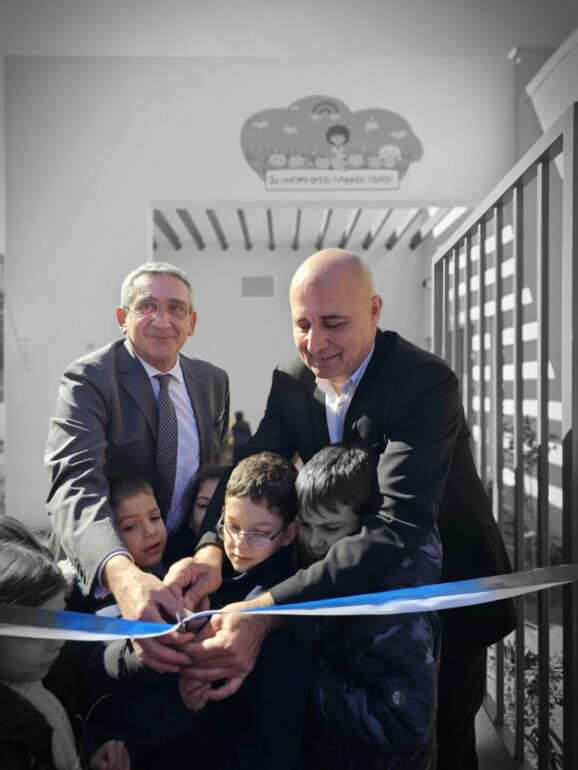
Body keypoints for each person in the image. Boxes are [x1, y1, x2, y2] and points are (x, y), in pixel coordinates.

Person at [169, 248, 516, 770]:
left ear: (374, 311)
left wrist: (268, 612)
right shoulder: (291, 379)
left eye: (333, 323)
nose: (315, 343)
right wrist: (209, 550)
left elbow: (397, 524)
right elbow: (248, 466)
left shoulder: (424, 382)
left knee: (444, 743)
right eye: (302, 325)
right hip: (340, 600)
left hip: (438, 602)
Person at [45, 261, 230, 671]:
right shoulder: (90, 379)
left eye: (176, 308)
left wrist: (208, 549)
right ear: (122, 317)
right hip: (107, 573)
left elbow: (211, 481)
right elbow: (74, 483)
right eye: (147, 306)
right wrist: (121, 574)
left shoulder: (212, 381)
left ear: (192, 322)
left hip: (182, 565)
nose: (162, 320)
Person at [296, 443, 440, 770]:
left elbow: (406, 722)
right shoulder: (350, 575)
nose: (314, 541)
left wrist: (304, 676)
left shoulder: (388, 608)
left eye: (330, 528)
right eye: (305, 525)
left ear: (367, 524)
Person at [179, 452, 310, 770]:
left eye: (259, 533)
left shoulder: (281, 609)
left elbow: (274, 734)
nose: (239, 543)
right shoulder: (210, 576)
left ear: (289, 534)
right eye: (232, 526)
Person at [67, 477, 201, 770]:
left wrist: (184, 703)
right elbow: (87, 690)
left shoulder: (172, 580)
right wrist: (99, 742)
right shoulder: (78, 602)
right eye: (130, 527)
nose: (150, 531)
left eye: (154, 517)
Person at [0, 516, 130, 770]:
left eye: (60, 620)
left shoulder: (43, 692)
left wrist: (87, 758)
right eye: (36, 629)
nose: (57, 642)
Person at [162, 462, 228, 567]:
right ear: (190, 519)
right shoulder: (171, 564)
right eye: (203, 505)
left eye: (224, 506)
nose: (212, 515)